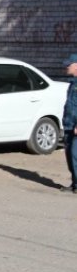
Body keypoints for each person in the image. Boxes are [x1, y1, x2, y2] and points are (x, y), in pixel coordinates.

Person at [61, 54, 77, 193]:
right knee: (69, 156)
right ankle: (74, 184)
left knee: (75, 154)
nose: (66, 67)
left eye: (69, 64)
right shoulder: (72, 83)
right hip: (68, 124)